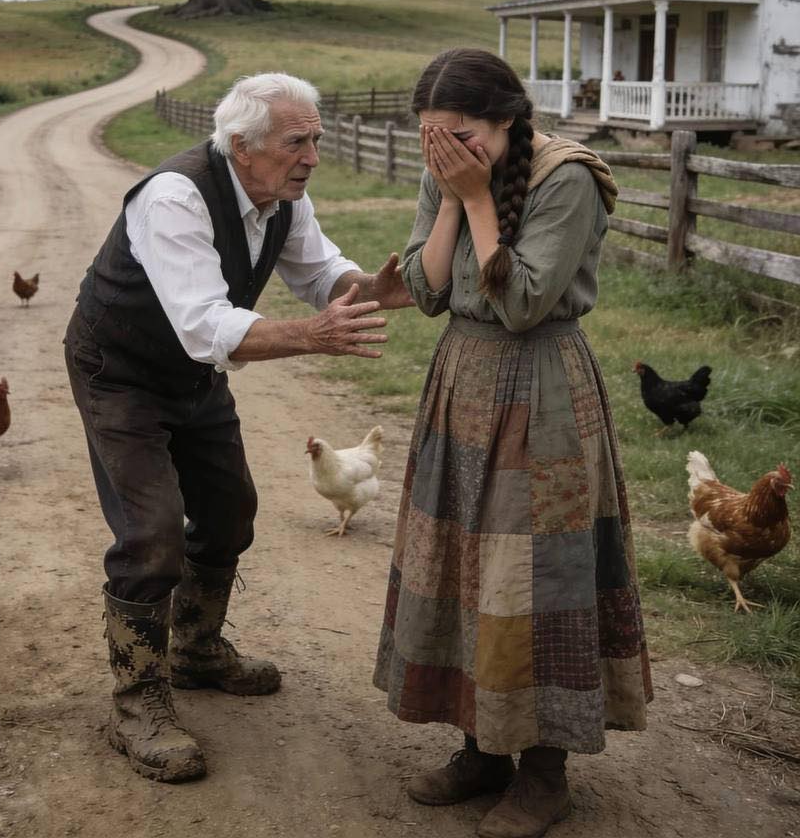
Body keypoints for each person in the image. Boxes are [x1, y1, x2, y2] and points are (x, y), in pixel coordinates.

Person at [64, 72, 411, 785]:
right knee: (151, 534)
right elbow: (205, 324)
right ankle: (137, 704)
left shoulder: (281, 198)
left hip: (193, 375)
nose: (313, 154)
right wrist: (313, 336)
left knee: (230, 514)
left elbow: (323, 275)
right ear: (242, 146)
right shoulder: (174, 197)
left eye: (315, 137)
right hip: (121, 372)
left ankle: (194, 651)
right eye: (297, 141)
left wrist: (381, 292)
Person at [373, 49, 651, 838]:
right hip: (461, 378)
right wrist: (456, 199)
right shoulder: (449, 169)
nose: (446, 151)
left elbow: (525, 301)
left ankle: (543, 774)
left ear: (506, 119)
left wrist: (473, 197)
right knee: (465, 566)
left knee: (536, 579)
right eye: (433, 137)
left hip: (543, 391)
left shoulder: (568, 178)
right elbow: (427, 292)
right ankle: (481, 747)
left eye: (461, 136)